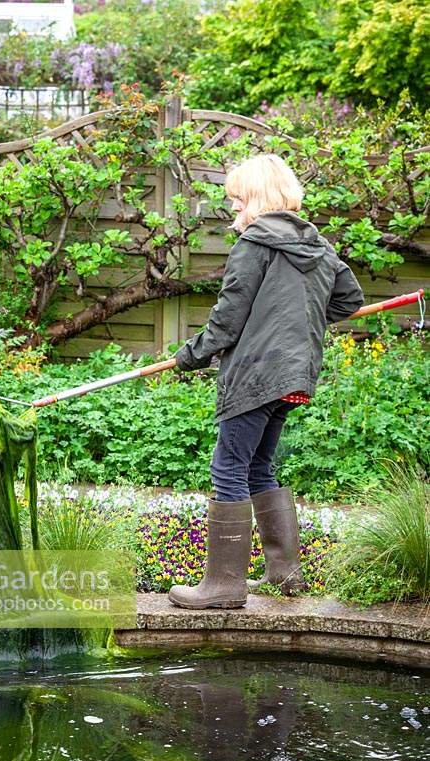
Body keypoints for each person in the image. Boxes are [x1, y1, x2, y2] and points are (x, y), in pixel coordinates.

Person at [168, 153, 364, 610]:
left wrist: (190, 356)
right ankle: (284, 574)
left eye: (237, 202)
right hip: (294, 378)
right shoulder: (319, 245)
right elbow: (349, 299)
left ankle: (223, 586)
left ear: (256, 199)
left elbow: (227, 318)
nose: (233, 211)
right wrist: (301, 325)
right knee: (259, 466)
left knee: (229, 466)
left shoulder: (254, 244)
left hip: (257, 373)